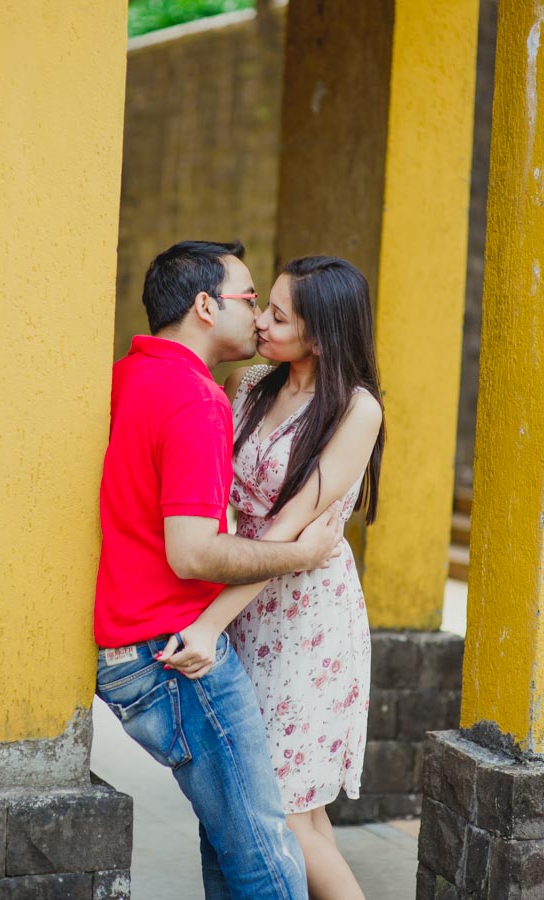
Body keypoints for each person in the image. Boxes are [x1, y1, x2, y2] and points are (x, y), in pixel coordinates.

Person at [93, 240, 344, 900]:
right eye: (249, 298)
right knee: (264, 852)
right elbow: (193, 552)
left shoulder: (127, 375)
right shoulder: (197, 400)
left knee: (229, 836)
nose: (258, 314)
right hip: (174, 650)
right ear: (205, 306)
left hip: (131, 643)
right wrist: (301, 554)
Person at [161, 256, 385, 900]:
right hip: (247, 604)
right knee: (302, 811)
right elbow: (219, 494)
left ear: (321, 334)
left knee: (284, 810)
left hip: (306, 617)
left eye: (278, 315)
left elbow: (289, 528)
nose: (259, 321)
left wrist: (206, 627)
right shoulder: (251, 383)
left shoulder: (355, 409)